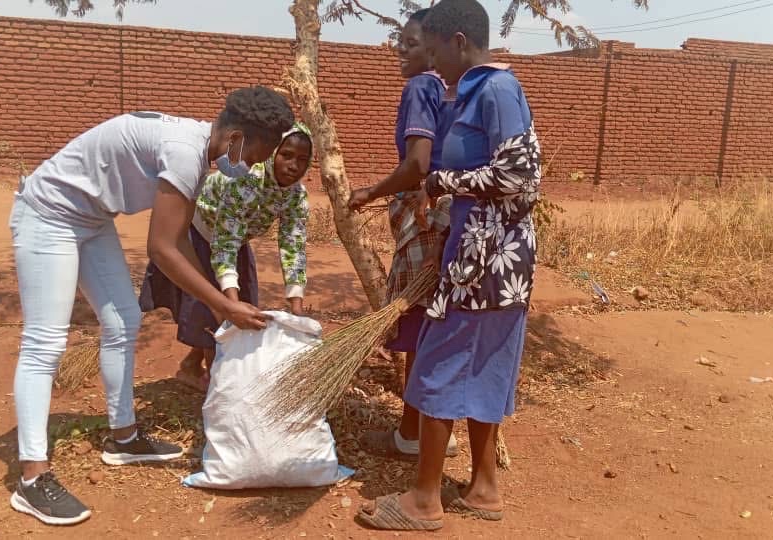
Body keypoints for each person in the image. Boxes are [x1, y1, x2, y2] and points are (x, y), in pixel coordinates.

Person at [7, 86, 294, 525]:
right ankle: (32, 476)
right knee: (45, 342)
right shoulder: (184, 153)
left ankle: (123, 438)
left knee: (122, 320)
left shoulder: (199, 154)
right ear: (236, 135)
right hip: (48, 214)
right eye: (258, 152)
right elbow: (161, 248)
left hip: (92, 218)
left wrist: (220, 301)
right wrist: (222, 304)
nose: (255, 164)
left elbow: (181, 239)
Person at [356, 0, 541, 531]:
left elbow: (521, 179)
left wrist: (441, 183)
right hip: (486, 252)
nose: (432, 62)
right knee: (482, 363)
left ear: (459, 42)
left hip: (486, 258)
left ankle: (424, 499)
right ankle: (483, 488)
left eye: (435, 50)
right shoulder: (477, 92)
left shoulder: (497, 90)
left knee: (439, 361)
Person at [348, 8, 458, 459]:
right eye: (399, 41)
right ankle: (431, 431)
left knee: (417, 324)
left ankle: (413, 435)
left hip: (425, 216)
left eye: (410, 44)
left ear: (432, 49)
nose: (400, 49)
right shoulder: (452, 91)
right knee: (435, 324)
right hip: (446, 213)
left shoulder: (420, 88)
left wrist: (370, 192)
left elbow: (417, 164)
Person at [140, 122, 314, 391]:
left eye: (302, 160)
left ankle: (190, 366)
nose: (293, 165)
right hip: (202, 235)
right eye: (286, 155)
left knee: (242, 305)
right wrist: (228, 307)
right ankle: (218, 382)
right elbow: (224, 243)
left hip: (236, 240)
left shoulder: (296, 196)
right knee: (215, 312)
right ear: (272, 153)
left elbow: (293, 244)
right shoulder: (243, 180)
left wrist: (297, 305)